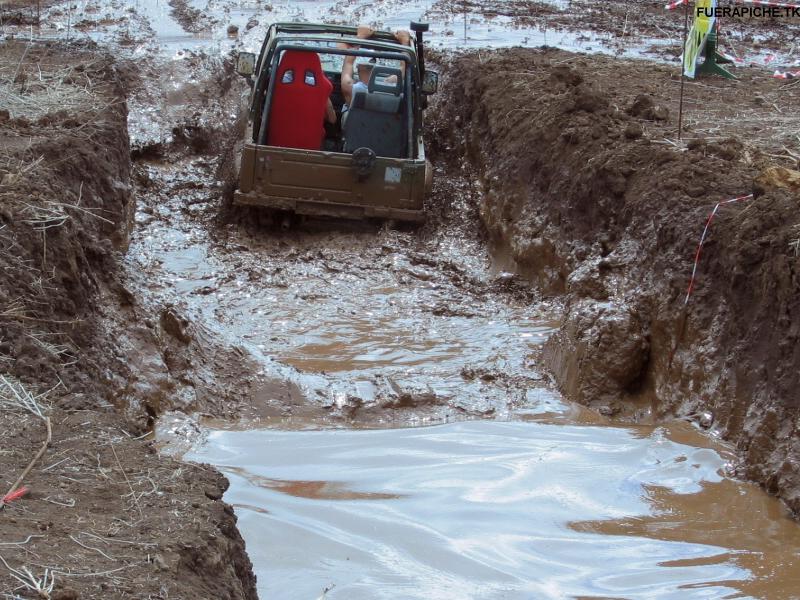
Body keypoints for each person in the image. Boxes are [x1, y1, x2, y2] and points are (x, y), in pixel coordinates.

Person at [339, 25, 412, 111]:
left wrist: (360, 37)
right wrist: (405, 42)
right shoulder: (391, 88)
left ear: (358, 69)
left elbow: (348, 63)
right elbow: (404, 68)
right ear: (374, 68)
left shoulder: (351, 89)